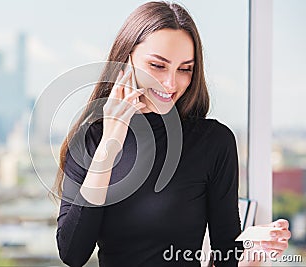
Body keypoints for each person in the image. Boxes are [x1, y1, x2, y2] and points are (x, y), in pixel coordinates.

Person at [53, 1, 291, 266]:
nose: (170, 83)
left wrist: (251, 252)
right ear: (126, 59)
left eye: (184, 69)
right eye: (157, 65)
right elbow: (73, 254)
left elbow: (226, 258)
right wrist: (110, 142)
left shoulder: (213, 142)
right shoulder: (90, 141)